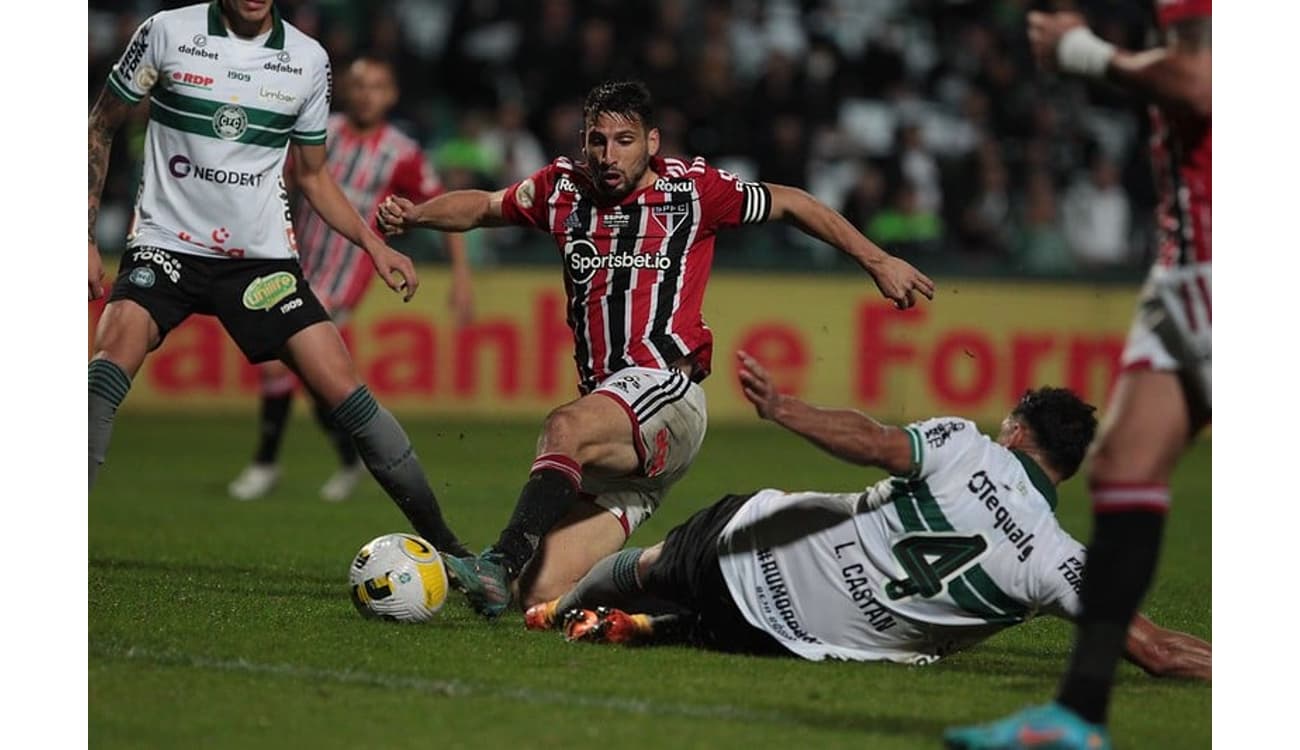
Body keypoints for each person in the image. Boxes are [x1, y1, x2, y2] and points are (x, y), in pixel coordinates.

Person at [378, 80, 935, 617]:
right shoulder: (562, 188)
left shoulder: (690, 190)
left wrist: (877, 259)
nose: (608, 155)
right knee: (540, 594)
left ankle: (497, 560)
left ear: (651, 143)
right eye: (597, 140)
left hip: (666, 390)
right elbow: (483, 207)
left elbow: (789, 201)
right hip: (622, 430)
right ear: (583, 144)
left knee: (564, 429)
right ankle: (698, 602)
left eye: (623, 141)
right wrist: (416, 214)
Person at [523, 353, 1211, 685]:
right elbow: (1154, 650)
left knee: (653, 563)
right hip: (798, 644)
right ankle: (652, 628)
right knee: (715, 622)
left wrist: (786, 409)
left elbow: (872, 442)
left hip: (744, 553)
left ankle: (558, 609)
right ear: (1069, 469)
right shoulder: (1060, 559)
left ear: (1015, 429)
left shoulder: (966, 445)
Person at [87, 1, 470, 558]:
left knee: (348, 394)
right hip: (165, 245)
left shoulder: (308, 60)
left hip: (259, 261)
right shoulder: (166, 32)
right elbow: (100, 126)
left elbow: (314, 176)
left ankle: (456, 555)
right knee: (106, 365)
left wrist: (373, 243)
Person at [945, 3, 1211, 748]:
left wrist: (1085, 53)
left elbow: (1202, 83)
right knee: (1125, 463)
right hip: (1188, 266)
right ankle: (1076, 718)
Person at [227, 53, 475, 503]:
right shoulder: (322, 131)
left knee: (281, 363)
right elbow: (279, 180)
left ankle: (266, 463)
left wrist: (460, 277)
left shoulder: (402, 152)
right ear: (346, 89)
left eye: (377, 86)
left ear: (392, 95)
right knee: (309, 374)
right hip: (295, 261)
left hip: (345, 275)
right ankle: (347, 457)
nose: (367, 95)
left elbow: (441, 207)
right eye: (359, 85)